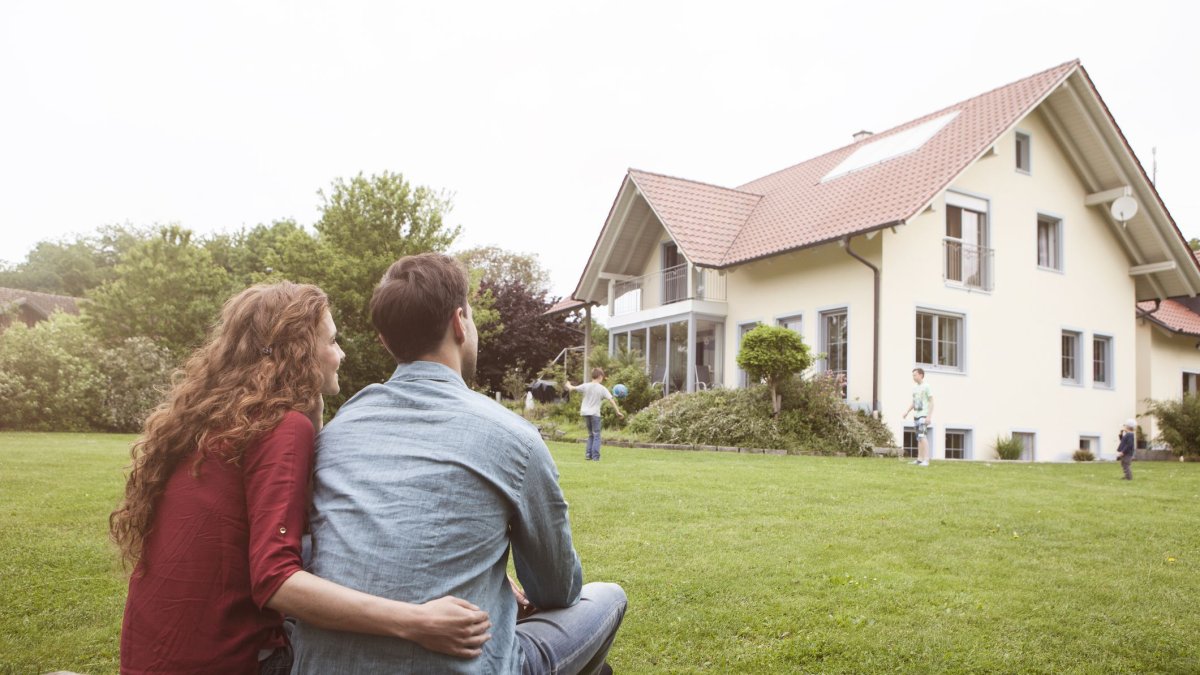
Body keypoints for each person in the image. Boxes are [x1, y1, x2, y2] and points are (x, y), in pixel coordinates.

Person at [111, 282, 492, 675]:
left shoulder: (210, 419)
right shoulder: (281, 427)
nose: (340, 354)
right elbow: (276, 582)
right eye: (332, 341)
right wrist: (416, 623)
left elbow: (303, 516)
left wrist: (315, 413)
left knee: (317, 544)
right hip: (228, 662)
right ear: (301, 353)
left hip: (151, 659)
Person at [292, 253, 627, 675]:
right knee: (608, 596)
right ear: (458, 323)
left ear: (384, 340)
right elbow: (556, 588)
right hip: (461, 662)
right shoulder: (513, 437)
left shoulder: (341, 428)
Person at [565, 367, 624, 461]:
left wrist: (568, 384)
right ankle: (595, 457)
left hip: (585, 412)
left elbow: (572, 388)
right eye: (602, 377)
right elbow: (611, 400)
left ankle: (588, 455)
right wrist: (617, 411)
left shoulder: (586, 385)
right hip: (595, 414)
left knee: (590, 434)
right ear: (600, 376)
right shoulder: (602, 388)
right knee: (596, 435)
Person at [902, 367, 934, 466]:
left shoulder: (927, 386)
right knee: (919, 438)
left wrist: (928, 416)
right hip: (916, 415)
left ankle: (926, 460)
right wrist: (907, 411)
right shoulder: (915, 388)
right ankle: (919, 459)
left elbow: (932, 401)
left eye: (915, 375)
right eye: (913, 375)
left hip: (923, 416)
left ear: (921, 375)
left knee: (922, 436)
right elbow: (915, 402)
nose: (913, 377)